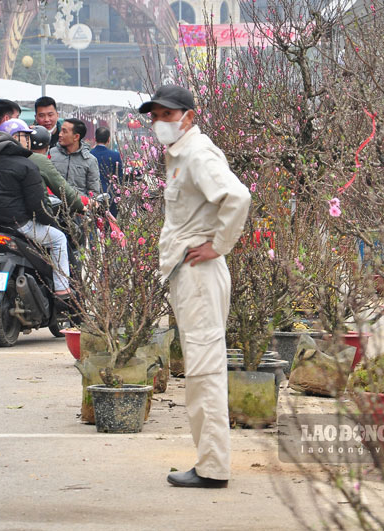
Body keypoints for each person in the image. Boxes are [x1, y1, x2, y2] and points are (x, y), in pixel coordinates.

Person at [138, 85, 250, 488]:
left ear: (188, 115)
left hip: (200, 273)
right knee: (203, 369)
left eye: (167, 115)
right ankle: (209, 463)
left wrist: (217, 245)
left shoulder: (198, 153)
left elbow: (238, 196)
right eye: (154, 115)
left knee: (204, 371)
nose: (159, 123)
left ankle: (212, 468)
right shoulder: (181, 155)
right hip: (189, 273)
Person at [0, 119, 72, 296]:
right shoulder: (27, 165)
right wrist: (50, 221)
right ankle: (62, 291)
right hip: (21, 227)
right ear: (16, 138)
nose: (28, 141)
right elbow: (37, 205)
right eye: (25, 136)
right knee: (58, 239)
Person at [29, 126, 86, 215]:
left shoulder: (18, 158)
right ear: (47, 147)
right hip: (38, 215)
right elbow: (62, 189)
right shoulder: (42, 161)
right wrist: (81, 206)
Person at [49, 118, 101, 197]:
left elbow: (93, 192)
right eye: (61, 130)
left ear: (76, 137)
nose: (60, 134)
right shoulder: (51, 154)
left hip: (79, 207)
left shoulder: (90, 160)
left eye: (64, 131)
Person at [90, 126, 123, 217]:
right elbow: (119, 179)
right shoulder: (115, 156)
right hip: (111, 195)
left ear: (95, 139)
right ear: (108, 140)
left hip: (92, 196)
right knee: (110, 225)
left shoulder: (88, 155)